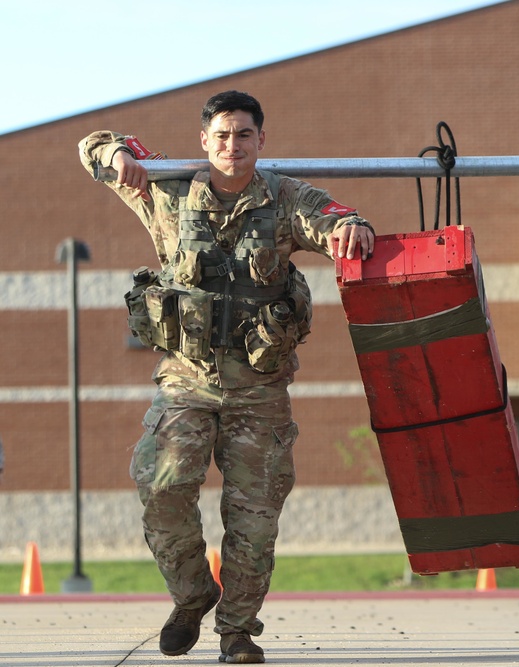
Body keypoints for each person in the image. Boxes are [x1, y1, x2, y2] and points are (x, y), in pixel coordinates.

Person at [79, 90, 375, 664]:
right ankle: (192, 597)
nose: (231, 146)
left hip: (259, 388)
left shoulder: (287, 197)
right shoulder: (163, 191)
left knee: (254, 518)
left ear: (261, 140)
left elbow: (335, 219)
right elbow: (89, 146)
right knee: (162, 487)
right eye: (221, 135)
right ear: (203, 140)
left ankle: (237, 632)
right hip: (186, 379)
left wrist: (352, 229)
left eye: (243, 135)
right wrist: (117, 154)